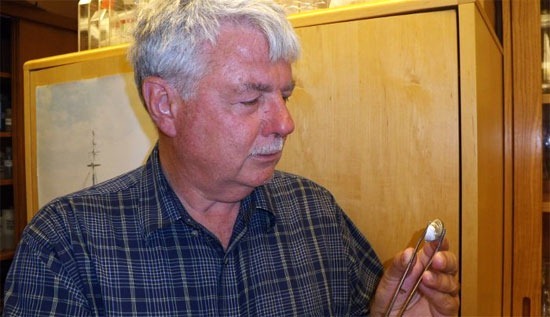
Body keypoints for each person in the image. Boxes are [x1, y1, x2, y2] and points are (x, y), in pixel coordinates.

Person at [3, 0, 459, 315]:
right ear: (165, 104)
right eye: (250, 99)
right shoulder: (65, 246)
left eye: (285, 95)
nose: (285, 124)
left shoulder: (317, 213)